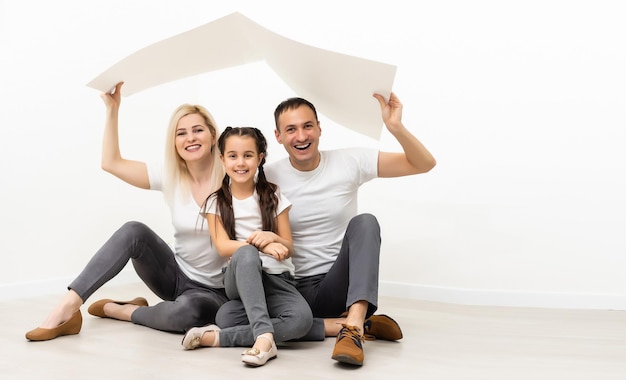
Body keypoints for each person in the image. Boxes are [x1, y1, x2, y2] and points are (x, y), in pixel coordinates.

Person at [24, 82, 229, 341]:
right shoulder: (172, 175)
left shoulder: (234, 176)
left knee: (188, 315)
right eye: (181, 133)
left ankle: (122, 310)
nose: (190, 138)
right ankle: (67, 307)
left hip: (213, 292)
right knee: (134, 231)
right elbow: (111, 162)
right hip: (174, 275)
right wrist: (113, 109)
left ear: (212, 135)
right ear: (174, 142)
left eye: (198, 130)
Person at [262, 92, 436, 366]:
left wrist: (395, 128)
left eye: (308, 126)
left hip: (338, 286)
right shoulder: (267, 176)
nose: (301, 136)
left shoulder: (349, 161)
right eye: (291, 129)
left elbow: (423, 164)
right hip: (293, 293)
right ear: (278, 136)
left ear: (320, 128)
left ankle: (353, 327)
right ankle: (351, 323)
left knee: (365, 222)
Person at [181, 127, 312, 367]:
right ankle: (264, 338)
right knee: (246, 252)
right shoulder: (216, 201)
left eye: (248, 155)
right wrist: (261, 247)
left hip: (277, 280)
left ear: (260, 158)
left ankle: (219, 338)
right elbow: (222, 246)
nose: (240, 163)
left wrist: (271, 237)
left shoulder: (273, 195)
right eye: (233, 156)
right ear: (222, 159)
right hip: (239, 281)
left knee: (295, 320)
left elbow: (288, 246)